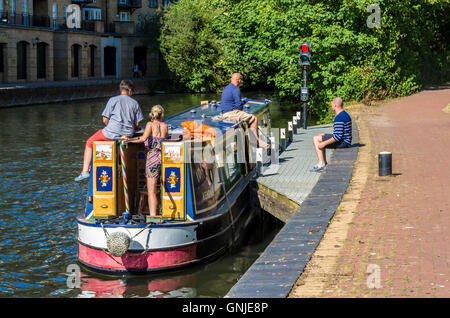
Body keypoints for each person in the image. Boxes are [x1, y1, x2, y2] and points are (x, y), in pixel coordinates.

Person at [74, 80, 144, 181]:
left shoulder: (112, 100)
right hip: (128, 135)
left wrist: (111, 127)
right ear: (129, 90)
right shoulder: (135, 103)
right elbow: (137, 124)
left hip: (111, 134)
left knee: (89, 142)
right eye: (132, 91)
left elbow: (105, 119)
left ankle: (85, 171)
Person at [129, 105, 168, 217]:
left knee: (151, 191)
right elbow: (165, 140)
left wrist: (127, 140)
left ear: (152, 114)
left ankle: (153, 215)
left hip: (152, 158)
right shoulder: (165, 126)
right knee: (162, 187)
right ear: (162, 115)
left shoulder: (150, 125)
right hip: (163, 158)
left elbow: (142, 138)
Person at [220, 73, 269, 149]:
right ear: (233, 80)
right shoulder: (236, 89)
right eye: (237, 80)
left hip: (225, 113)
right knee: (253, 118)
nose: (239, 81)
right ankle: (255, 141)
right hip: (230, 113)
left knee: (246, 118)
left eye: (239, 79)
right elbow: (239, 106)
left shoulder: (227, 88)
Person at [311, 97, 352, 172]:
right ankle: (323, 162)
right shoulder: (345, 114)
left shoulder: (339, 118)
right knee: (319, 136)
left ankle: (321, 164)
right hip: (346, 140)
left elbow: (337, 137)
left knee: (316, 139)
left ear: (335, 105)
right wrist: (324, 134)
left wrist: (323, 144)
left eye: (332, 104)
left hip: (344, 142)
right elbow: (339, 133)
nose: (331, 106)